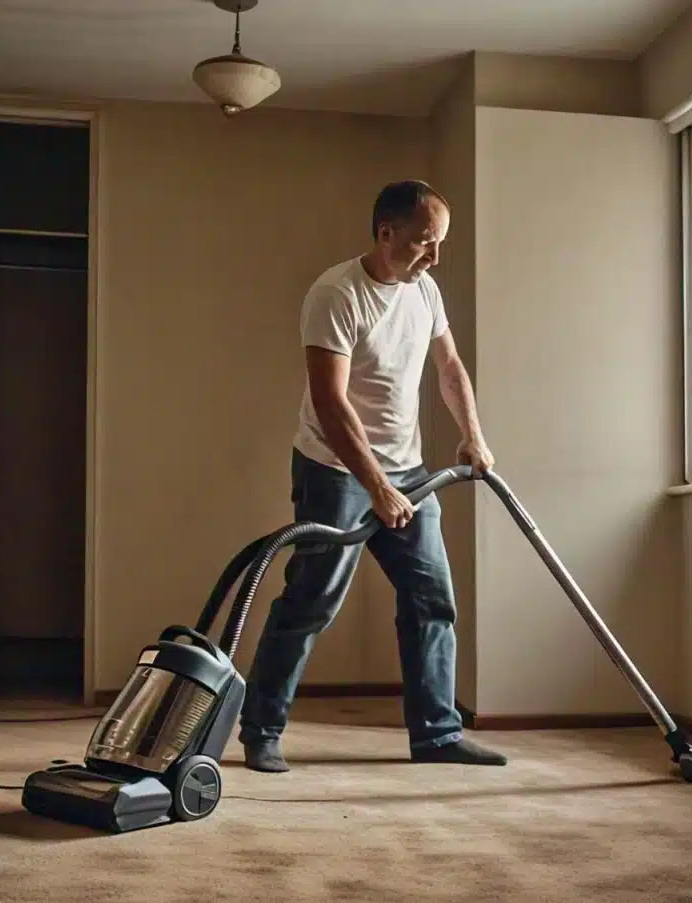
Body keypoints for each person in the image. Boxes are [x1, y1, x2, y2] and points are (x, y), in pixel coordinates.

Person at [237, 180, 507, 773]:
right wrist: (376, 487)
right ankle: (260, 729)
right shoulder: (336, 294)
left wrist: (473, 433)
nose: (434, 257)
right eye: (424, 243)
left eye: (439, 244)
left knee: (432, 599)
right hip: (335, 469)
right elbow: (331, 403)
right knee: (312, 600)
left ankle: (437, 735)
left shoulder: (424, 288)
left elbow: (450, 365)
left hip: (409, 469)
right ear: (386, 234)